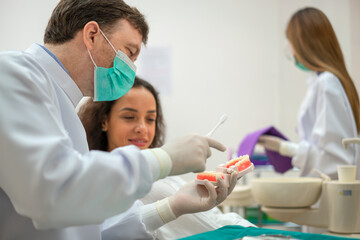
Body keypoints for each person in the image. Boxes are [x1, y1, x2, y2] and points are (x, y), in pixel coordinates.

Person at [0, 1, 228, 239]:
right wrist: (163, 159)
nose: (131, 69)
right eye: (129, 52)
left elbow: (85, 225)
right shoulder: (13, 72)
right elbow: (53, 192)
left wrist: (171, 207)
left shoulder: (64, 107)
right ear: (91, 35)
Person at [78, 76, 255, 240]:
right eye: (129, 117)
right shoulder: (101, 183)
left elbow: (217, 220)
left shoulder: (166, 176)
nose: (142, 128)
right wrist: (171, 207)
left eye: (150, 119)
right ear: (104, 120)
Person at [258, 7, 360, 180]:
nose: (292, 52)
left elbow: (335, 161)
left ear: (306, 45)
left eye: (292, 44)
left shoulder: (327, 83)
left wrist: (285, 148)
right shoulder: (325, 82)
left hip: (330, 196)